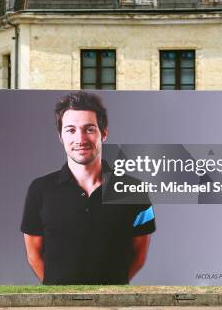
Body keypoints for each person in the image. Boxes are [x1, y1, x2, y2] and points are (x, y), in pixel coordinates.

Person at [20, 91, 156, 285]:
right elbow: (33, 255)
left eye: (89, 129)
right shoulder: (40, 190)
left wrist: (110, 293)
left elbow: (139, 256)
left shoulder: (134, 189)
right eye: (70, 130)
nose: (80, 138)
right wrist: (61, 294)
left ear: (104, 133)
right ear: (60, 136)